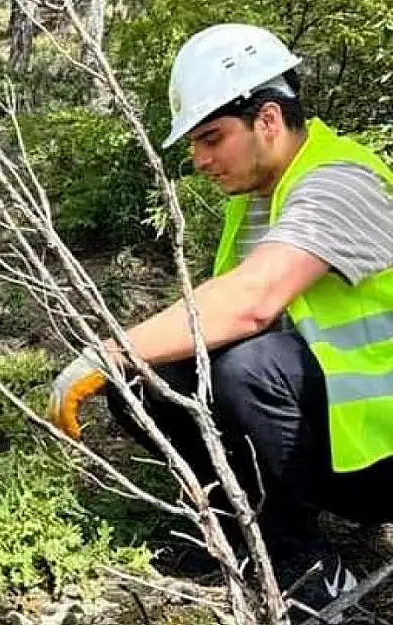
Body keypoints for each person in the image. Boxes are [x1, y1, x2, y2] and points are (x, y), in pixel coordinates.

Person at [45, 23, 393, 617]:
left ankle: (307, 564)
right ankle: (241, 534)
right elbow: (214, 313)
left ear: (267, 120)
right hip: (334, 439)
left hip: (379, 456)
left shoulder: (340, 181)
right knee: (147, 379)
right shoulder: (260, 200)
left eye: (212, 138)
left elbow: (251, 303)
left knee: (246, 366)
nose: (199, 159)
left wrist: (106, 349)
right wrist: (126, 363)